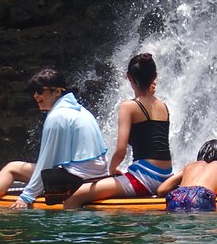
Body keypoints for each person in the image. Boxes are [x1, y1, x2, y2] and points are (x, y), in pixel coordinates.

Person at [0, 69, 108, 209]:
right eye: (35, 91)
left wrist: (27, 196)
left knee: (12, 168)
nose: (36, 96)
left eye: (40, 91)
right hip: (98, 176)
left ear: (57, 92)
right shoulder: (80, 110)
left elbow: (47, 161)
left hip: (76, 180)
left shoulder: (57, 116)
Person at [64, 53, 173, 208]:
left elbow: (121, 151)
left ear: (129, 77)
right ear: (155, 76)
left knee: (75, 197)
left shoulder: (128, 107)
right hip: (167, 176)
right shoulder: (164, 106)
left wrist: (112, 169)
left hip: (145, 178)